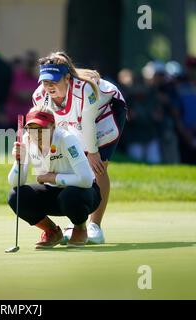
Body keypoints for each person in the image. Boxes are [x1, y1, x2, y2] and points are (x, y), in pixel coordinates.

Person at [32, 51, 127, 244]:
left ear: (67, 78)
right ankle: (76, 222)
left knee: (97, 167)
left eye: (54, 81)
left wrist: (92, 152)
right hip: (78, 121)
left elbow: (89, 124)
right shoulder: (40, 96)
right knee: (70, 164)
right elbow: (50, 127)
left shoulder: (85, 89)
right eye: (45, 81)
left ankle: (95, 226)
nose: (48, 86)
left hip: (105, 114)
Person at [7, 106, 101, 249]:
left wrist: (53, 177)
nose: (36, 134)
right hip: (53, 195)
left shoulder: (66, 139)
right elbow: (15, 183)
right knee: (16, 195)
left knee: (69, 196)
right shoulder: (26, 140)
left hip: (84, 195)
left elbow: (86, 180)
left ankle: (80, 228)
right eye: (31, 129)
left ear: (52, 126)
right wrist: (19, 160)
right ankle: (52, 231)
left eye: (41, 129)